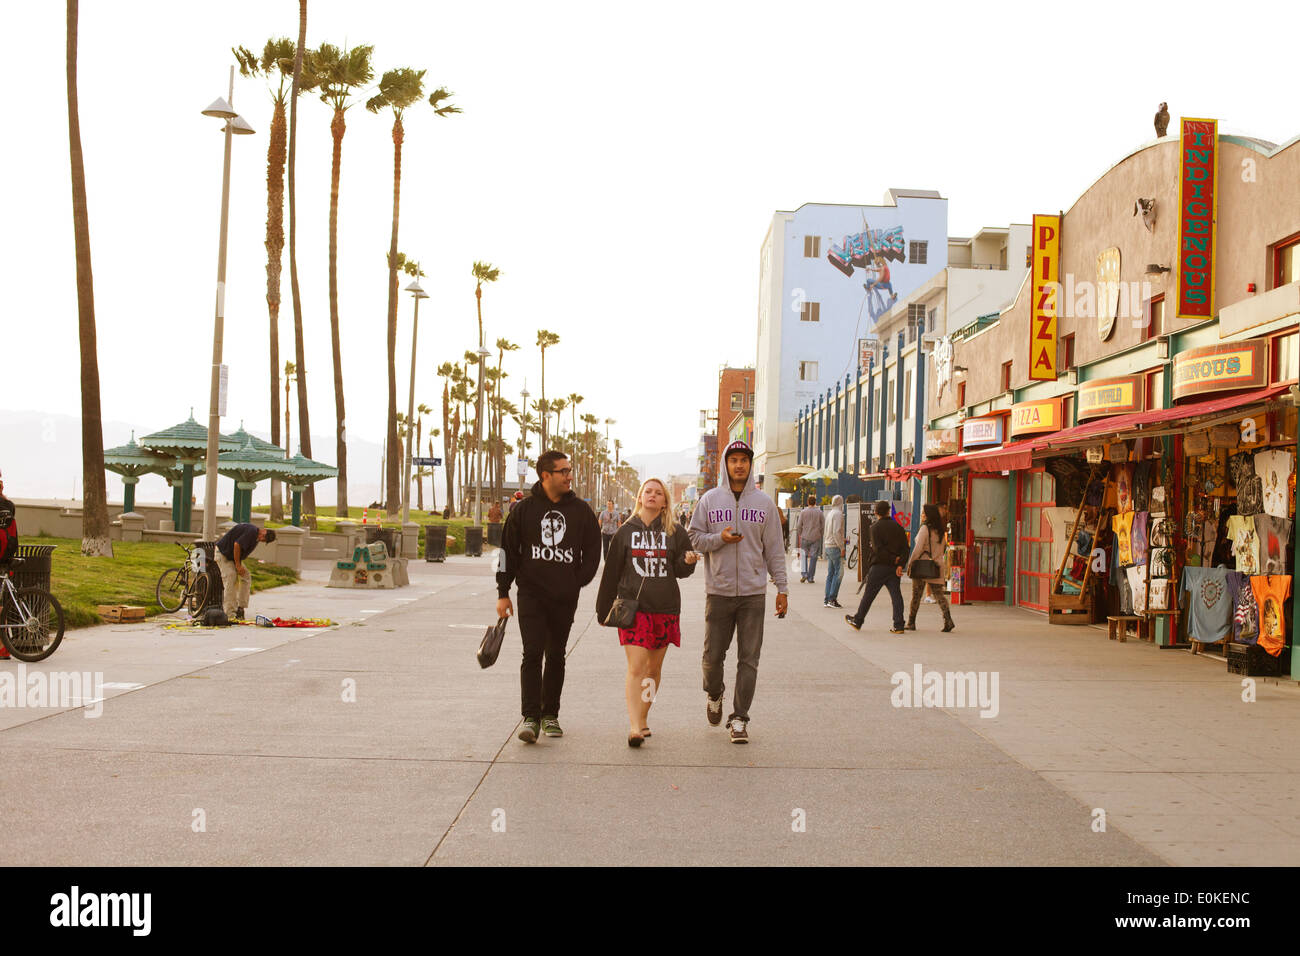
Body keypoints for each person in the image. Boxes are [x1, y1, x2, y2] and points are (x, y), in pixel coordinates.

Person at [496, 450, 601, 743]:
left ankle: (550, 714)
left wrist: (576, 582)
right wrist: (503, 592)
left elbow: (593, 551)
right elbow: (506, 554)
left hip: (564, 598)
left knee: (555, 655)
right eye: (563, 471)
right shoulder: (523, 511)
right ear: (546, 476)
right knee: (532, 653)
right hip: (530, 595)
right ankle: (530, 717)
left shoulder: (581, 511)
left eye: (569, 470)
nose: (569, 476)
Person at [689, 440, 788, 744]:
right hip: (718, 592)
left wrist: (782, 587)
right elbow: (694, 538)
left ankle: (740, 717)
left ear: (750, 464)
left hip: (753, 594)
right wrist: (719, 537)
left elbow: (775, 550)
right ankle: (714, 693)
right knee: (712, 656)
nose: (739, 465)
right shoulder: (708, 500)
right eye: (733, 459)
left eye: (744, 459)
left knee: (749, 658)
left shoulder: (764, 504)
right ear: (725, 464)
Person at [596, 478, 698, 747]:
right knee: (637, 667)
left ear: (665, 500)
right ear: (640, 497)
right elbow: (611, 573)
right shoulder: (625, 531)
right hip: (633, 609)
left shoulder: (675, 531)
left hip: (665, 607)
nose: (652, 496)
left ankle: (643, 717)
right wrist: (602, 608)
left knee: (653, 669)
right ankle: (633, 726)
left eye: (658, 493)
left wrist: (688, 562)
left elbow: (681, 570)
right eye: (648, 491)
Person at [845, 501, 908, 634]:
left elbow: (878, 550)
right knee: (896, 595)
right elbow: (905, 548)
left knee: (869, 595)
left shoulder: (874, 528)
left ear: (876, 512)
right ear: (888, 511)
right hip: (894, 568)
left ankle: (858, 620)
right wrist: (900, 563)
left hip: (879, 567)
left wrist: (891, 559)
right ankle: (899, 625)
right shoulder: (898, 527)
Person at [907, 503, 955, 632]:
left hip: (922, 565)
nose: (922, 515)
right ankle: (948, 619)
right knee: (939, 595)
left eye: (924, 513)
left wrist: (911, 562)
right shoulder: (940, 530)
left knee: (916, 595)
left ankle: (911, 622)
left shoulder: (925, 529)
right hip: (937, 565)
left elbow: (918, 548)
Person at [214, 522, 276, 621]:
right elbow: (237, 545)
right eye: (264, 537)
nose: (262, 539)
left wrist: (238, 565)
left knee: (246, 576)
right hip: (223, 554)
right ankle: (230, 614)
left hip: (232, 557)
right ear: (264, 530)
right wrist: (238, 565)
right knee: (231, 576)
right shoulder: (252, 531)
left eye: (264, 540)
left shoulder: (255, 538)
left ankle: (240, 607)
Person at [0, 472, 16, 660]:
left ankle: (3, 647)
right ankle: (4, 646)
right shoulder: (8, 505)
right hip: (6, 555)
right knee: (2, 602)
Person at [822, 494, 845, 609]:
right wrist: (842, 547)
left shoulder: (830, 513)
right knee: (839, 573)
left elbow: (828, 531)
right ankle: (832, 598)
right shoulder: (838, 514)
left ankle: (827, 599)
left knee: (830, 574)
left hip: (828, 545)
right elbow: (836, 532)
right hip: (835, 546)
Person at [796, 493, 823, 583]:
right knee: (813, 557)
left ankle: (804, 574)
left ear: (808, 502)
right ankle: (811, 577)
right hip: (816, 537)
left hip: (805, 536)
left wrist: (800, 533)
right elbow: (823, 525)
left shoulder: (803, 512)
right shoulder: (819, 512)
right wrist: (820, 534)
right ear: (815, 502)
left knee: (803, 555)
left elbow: (799, 525)